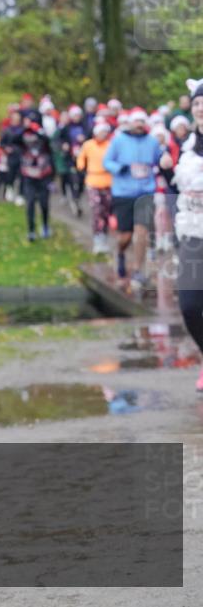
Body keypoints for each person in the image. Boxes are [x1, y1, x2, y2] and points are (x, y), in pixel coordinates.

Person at [103, 107, 166, 289]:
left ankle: (138, 270)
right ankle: (120, 252)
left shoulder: (152, 141)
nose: (139, 125)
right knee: (126, 236)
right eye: (136, 121)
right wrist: (119, 168)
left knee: (142, 233)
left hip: (145, 192)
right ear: (130, 123)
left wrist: (166, 162)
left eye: (142, 121)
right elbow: (107, 161)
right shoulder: (119, 140)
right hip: (123, 192)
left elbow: (160, 159)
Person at [172, 78, 203, 395]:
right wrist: (167, 170)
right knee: (191, 306)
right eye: (196, 103)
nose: (201, 107)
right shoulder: (185, 146)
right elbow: (176, 189)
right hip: (193, 233)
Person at [76, 119, 115, 253]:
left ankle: (104, 237)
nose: (103, 134)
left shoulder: (110, 145)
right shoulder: (88, 145)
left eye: (105, 132)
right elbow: (81, 157)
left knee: (106, 211)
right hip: (93, 181)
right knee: (96, 210)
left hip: (108, 182)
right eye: (101, 132)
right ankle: (97, 239)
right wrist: (80, 166)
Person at [18, 122, 55, 241]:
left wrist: (38, 131)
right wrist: (25, 129)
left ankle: (45, 225)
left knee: (44, 203)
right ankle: (31, 230)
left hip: (43, 176)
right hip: (29, 177)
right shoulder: (23, 142)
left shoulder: (43, 142)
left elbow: (49, 143)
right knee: (30, 204)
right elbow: (13, 139)